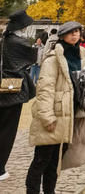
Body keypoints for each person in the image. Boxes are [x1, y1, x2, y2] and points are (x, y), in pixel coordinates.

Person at [26, 21, 84, 193]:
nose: (75, 35)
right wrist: (47, 116)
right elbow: (44, 89)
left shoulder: (79, 55)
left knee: (56, 161)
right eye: (71, 32)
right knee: (41, 160)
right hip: (54, 114)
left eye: (77, 32)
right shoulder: (53, 58)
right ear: (62, 36)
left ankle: (49, 191)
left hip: (69, 114)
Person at [0, 10, 37, 183]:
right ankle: (0, 168)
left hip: (3, 87)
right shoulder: (19, 42)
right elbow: (32, 58)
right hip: (13, 89)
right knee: (7, 131)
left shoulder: (4, 40)